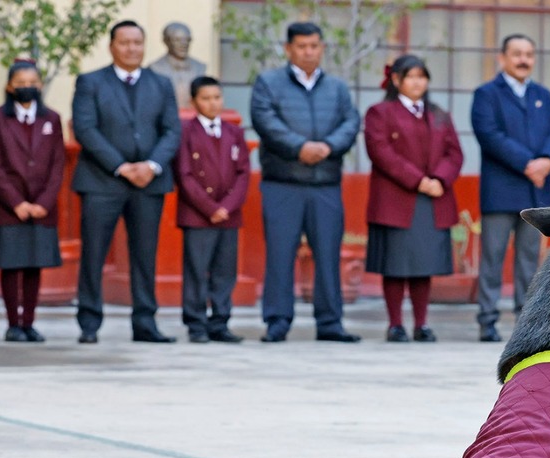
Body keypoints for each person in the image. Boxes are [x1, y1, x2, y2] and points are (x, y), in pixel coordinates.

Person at [251, 21, 361, 343]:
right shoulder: (268, 83)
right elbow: (265, 120)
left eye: (314, 46)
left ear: (322, 48)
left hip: (325, 184)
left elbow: (350, 121)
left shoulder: (337, 88)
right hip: (282, 183)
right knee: (280, 255)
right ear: (288, 49)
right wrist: (300, 147)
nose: (309, 52)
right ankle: (277, 322)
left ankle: (330, 323)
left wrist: (327, 146)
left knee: (328, 255)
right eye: (301, 46)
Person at [72, 19, 181, 344]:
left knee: (145, 255)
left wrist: (150, 165)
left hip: (149, 183)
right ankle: (89, 323)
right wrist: (121, 166)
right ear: (112, 46)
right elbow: (85, 129)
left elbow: (172, 130)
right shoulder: (91, 82)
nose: (132, 48)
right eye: (125, 42)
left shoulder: (161, 84)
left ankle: (145, 322)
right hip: (101, 181)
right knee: (93, 254)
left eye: (137, 42)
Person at [470, 33, 550, 343]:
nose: (523, 60)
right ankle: (487, 320)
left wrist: (548, 160)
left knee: (529, 261)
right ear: (502, 58)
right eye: (517, 54)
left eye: (528, 54)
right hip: (501, 191)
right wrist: (529, 164)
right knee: (493, 259)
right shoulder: (487, 94)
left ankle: (528, 324)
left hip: (536, 194)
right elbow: (489, 134)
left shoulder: (543, 94)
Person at [364, 55, 463, 343]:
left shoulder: (440, 114)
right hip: (396, 198)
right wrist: (418, 180)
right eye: (411, 76)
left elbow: (454, 153)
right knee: (395, 263)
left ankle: (422, 324)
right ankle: (395, 324)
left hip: (433, 199)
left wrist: (439, 180)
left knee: (424, 263)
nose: (417, 82)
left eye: (422, 76)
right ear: (396, 80)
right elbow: (381, 152)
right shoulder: (380, 112)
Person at [0, 60, 64, 343]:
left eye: (32, 83)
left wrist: (44, 201)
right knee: (12, 264)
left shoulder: (51, 119)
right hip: (9, 206)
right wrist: (16, 202)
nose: (27, 88)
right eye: (21, 83)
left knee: (34, 265)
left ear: (39, 86)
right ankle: (12, 324)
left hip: (43, 205)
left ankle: (29, 323)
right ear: (9, 87)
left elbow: (57, 165)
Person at [172, 76, 250, 343]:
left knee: (224, 271)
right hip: (198, 214)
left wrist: (227, 207)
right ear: (193, 102)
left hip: (228, 215)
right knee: (196, 270)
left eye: (217, 97)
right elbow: (184, 175)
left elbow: (243, 174)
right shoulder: (185, 132)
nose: (212, 103)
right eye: (205, 98)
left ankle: (220, 321)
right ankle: (196, 323)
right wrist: (210, 208)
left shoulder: (234, 132)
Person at [149, 22, 208, 110]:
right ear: (166, 41)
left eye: (187, 39)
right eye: (177, 40)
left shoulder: (199, 67)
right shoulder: (155, 68)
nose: (183, 44)